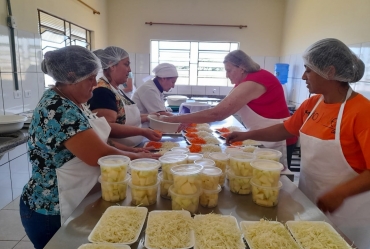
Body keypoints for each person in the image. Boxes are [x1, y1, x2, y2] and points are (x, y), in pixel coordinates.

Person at [227, 38, 370, 247]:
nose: (303, 76)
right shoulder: (313, 103)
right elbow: (285, 129)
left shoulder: (362, 112)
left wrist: (339, 194)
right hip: (311, 200)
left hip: (348, 212)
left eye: (308, 70)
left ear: (329, 72)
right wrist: (246, 135)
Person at [19, 46, 160, 249]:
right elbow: (99, 154)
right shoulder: (58, 108)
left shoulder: (73, 102)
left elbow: (96, 138)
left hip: (73, 195)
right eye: (90, 78)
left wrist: (134, 151)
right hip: (50, 207)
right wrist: (143, 160)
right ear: (70, 76)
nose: (95, 84)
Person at [162, 50, 297, 168]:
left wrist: (174, 119)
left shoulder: (254, 82)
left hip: (276, 139)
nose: (227, 75)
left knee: (272, 179)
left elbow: (217, 113)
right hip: (263, 137)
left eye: (229, 70)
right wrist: (190, 120)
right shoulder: (246, 81)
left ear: (242, 67)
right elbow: (222, 107)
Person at [88, 46, 162, 147]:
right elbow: (107, 127)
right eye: (126, 64)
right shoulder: (102, 91)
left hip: (134, 147)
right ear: (112, 65)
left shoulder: (115, 89)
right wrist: (142, 131)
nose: (130, 70)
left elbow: (123, 118)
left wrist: (148, 117)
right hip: (120, 154)